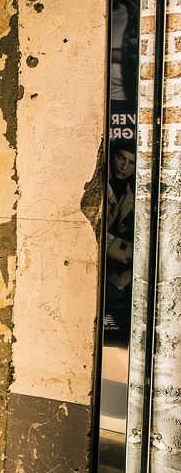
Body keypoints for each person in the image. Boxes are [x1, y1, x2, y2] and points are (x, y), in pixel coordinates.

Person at [105, 141, 136, 346]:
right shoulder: (100, 182)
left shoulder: (129, 192)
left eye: (131, 162)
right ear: (111, 156)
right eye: (120, 158)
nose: (124, 167)